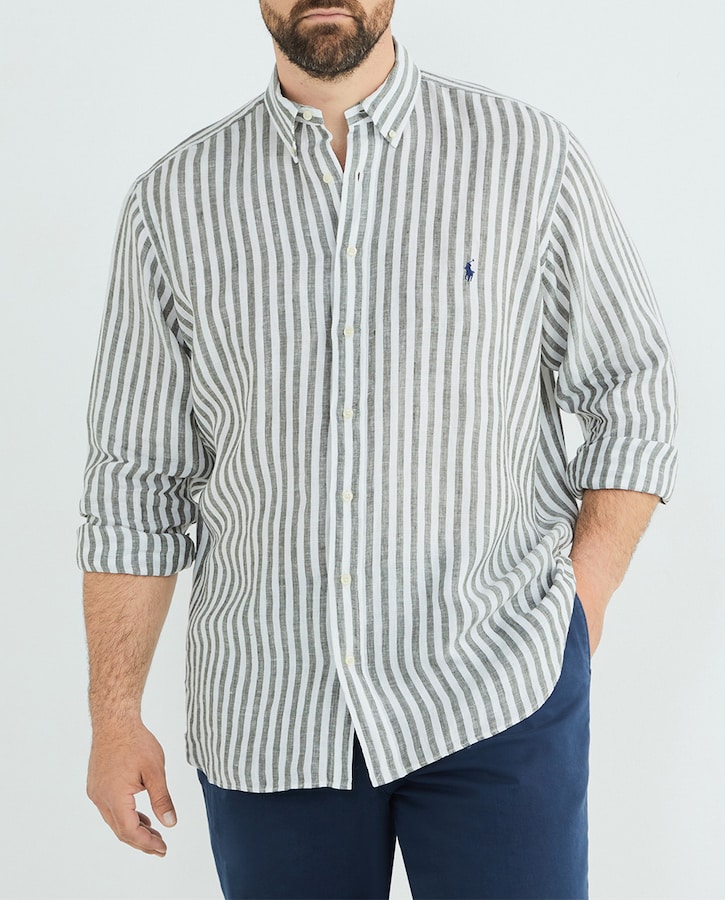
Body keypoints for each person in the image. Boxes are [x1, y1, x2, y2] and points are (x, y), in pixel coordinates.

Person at [76, 2, 679, 898]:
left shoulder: (524, 157)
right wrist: (114, 713)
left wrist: (581, 600)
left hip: (496, 688)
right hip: (271, 718)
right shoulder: (174, 204)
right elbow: (136, 482)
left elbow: (632, 387)